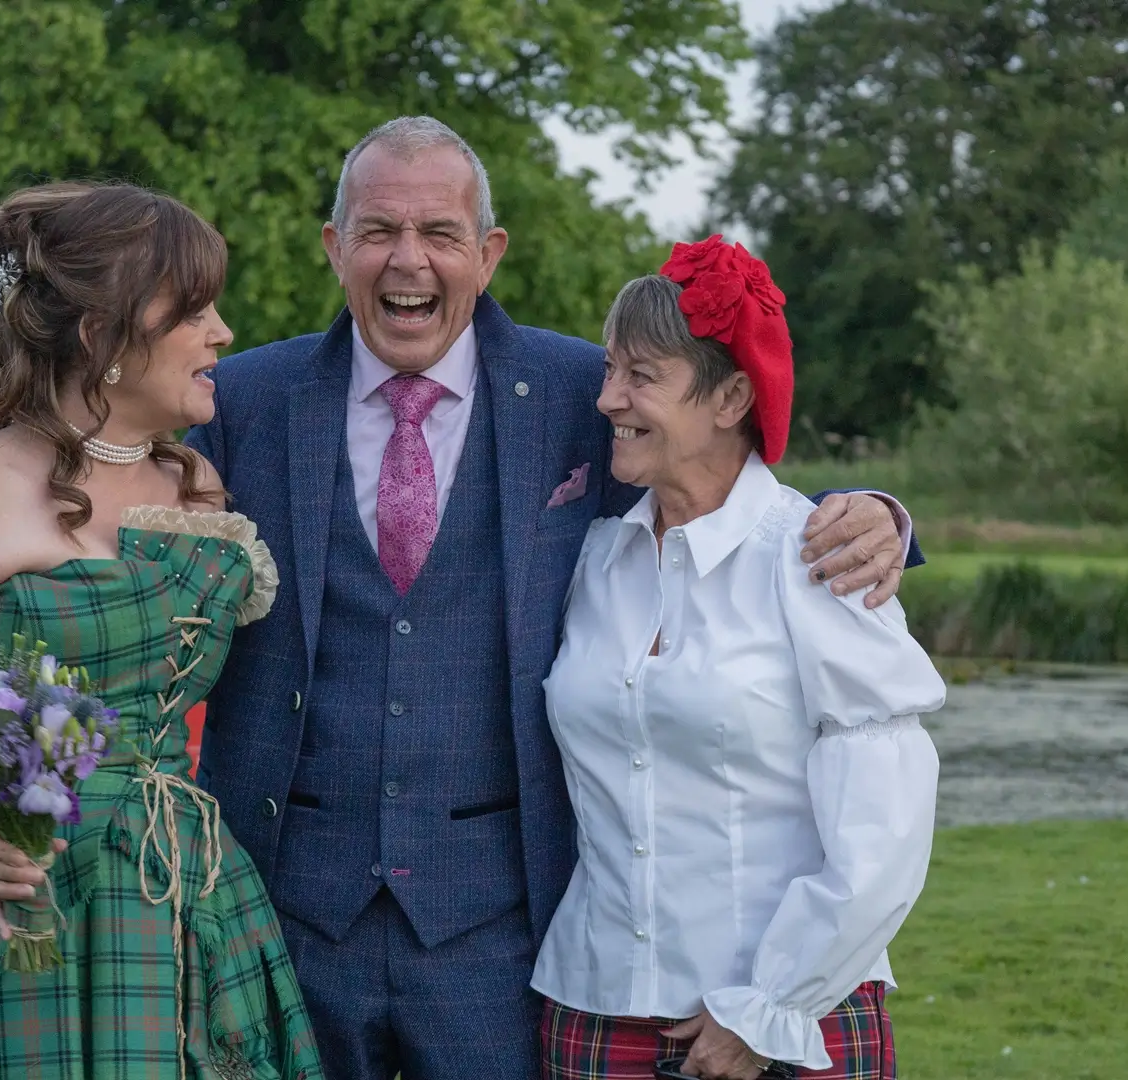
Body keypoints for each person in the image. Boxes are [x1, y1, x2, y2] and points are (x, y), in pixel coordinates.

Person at [183, 116, 923, 1080]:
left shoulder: (581, 389)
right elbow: (120, 509)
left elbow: (720, 477)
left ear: (488, 253)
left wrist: (877, 517)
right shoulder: (241, 400)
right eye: (378, 231)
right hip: (286, 915)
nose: (409, 260)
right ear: (334, 247)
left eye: (440, 233)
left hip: (502, 931)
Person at [0, 182, 323, 1080]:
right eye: (193, 311)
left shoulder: (197, 486)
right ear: (100, 335)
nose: (222, 333)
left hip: (170, 893)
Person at [533, 245, 944, 1080]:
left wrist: (770, 1008)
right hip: (595, 1008)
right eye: (609, 370)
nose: (608, 398)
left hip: (788, 1024)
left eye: (642, 375)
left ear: (731, 398)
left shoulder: (819, 560)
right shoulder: (592, 560)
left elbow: (885, 824)